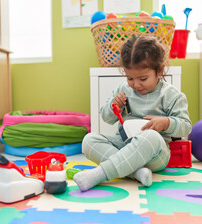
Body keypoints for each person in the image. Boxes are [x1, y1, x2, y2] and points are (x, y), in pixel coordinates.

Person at [73, 36, 192, 191]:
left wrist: (165, 122)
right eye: (130, 78)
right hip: (123, 144)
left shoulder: (171, 95)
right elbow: (106, 118)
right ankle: (136, 172)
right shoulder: (124, 89)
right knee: (89, 140)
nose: (136, 84)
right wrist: (114, 105)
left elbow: (186, 126)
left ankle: (101, 174)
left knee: (150, 136)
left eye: (143, 78)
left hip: (154, 153)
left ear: (160, 70)